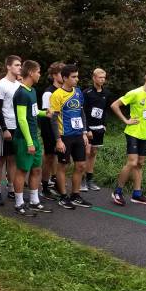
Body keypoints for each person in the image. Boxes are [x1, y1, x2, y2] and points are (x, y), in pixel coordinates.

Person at [110, 65, 146, 206]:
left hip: (145, 134)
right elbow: (114, 105)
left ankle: (137, 194)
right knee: (132, 162)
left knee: (140, 164)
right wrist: (125, 120)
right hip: (133, 132)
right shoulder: (135, 93)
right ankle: (117, 192)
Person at [12, 60, 53, 216]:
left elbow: (33, 112)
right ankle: (19, 204)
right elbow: (22, 119)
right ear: (30, 73)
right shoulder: (21, 93)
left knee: (36, 169)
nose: (39, 75)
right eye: (38, 72)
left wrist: (44, 113)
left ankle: (34, 201)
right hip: (24, 139)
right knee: (22, 170)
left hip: (34, 137)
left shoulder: (32, 90)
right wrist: (29, 142)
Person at [49, 64, 90, 209]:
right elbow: (53, 119)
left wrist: (84, 132)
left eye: (77, 76)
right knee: (63, 166)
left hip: (78, 134)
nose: (77, 79)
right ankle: (63, 196)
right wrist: (58, 140)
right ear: (65, 78)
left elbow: (82, 112)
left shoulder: (78, 92)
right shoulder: (57, 95)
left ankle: (75, 195)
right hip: (64, 136)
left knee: (81, 165)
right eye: (73, 77)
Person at [0, 55, 22, 205]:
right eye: (16, 65)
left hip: (17, 126)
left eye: (20, 65)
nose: (19, 67)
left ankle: (11, 188)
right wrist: (4, 129)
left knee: (13, 159)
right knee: (0, 159)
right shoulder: (1, 84)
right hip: (5, 126)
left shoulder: (19, 85)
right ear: (8, 66)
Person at [82, 68, 112, 191]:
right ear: (94, 78)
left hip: (99, 128)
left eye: (104, 77)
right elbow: (82, 111)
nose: (102, 80)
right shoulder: (87, 92)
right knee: (86, 152)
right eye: (100, 77)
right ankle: (81, 180)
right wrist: (86, 129)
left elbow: (105, 110)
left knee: (93, 153)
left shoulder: (106, 93)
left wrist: (104, 125)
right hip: (88, 128)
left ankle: (90, 180)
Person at [40, 62, 64, 200]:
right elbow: (46, 115)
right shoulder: (48, 92)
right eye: (61, 73)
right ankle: (44, 187)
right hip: (50, 130)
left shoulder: (66, 91)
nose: (64, 76)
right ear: (54, 75)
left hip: (63, 129)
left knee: (59, 158)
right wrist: (52, 135)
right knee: (49, 157)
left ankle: (55, 182)